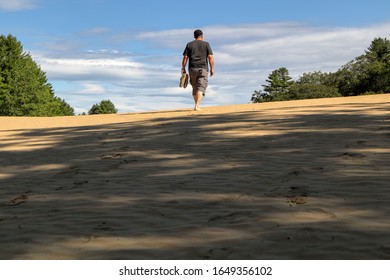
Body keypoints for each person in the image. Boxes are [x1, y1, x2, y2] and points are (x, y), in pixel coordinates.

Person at [182, 29, 214, 111]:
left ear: (194, 36)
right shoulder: (206, 44)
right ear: (202, 36)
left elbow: (185, 57)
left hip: (192, 68)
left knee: (195, 87)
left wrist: (183, 68)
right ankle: (197, 105)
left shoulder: (189, 44)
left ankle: (196, 105)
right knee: (201, 87)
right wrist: (212, 69)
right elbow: (210, 57)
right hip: (203, 68)